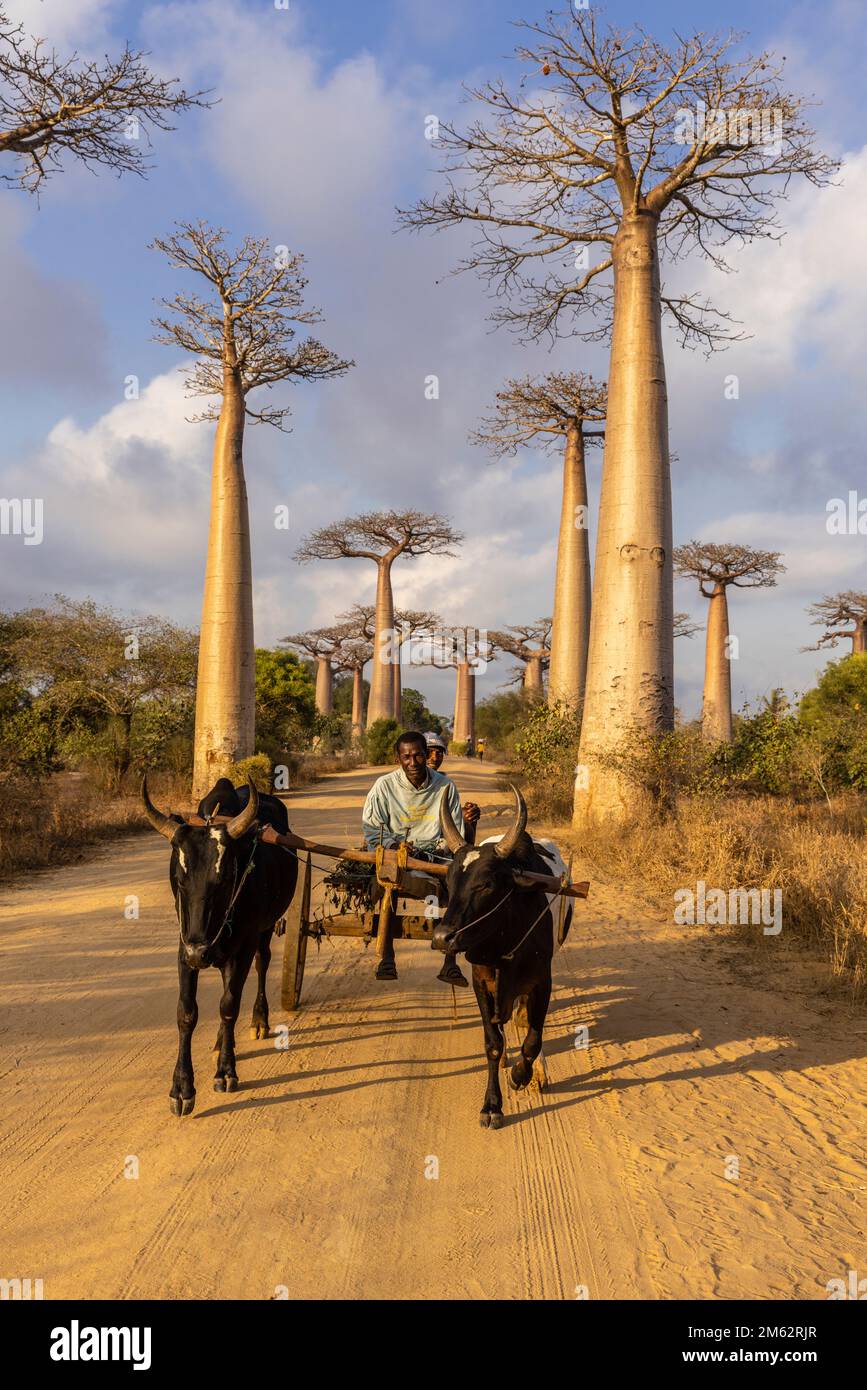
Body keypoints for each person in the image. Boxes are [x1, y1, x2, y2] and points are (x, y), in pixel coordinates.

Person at [362, 730, 475, 986]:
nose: (412, 763)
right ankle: (387, 957)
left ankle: (449, 962)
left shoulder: (445, 787)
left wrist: (432, 848)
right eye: (406, 757)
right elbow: (372, 829)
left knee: (458, 886)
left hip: (435, 857)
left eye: (418, 756)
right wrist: (393, 844)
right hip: (394, 855)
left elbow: (454, 832)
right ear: (398, 759)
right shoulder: (384, 786)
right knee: (387, 880)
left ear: (427, 756)